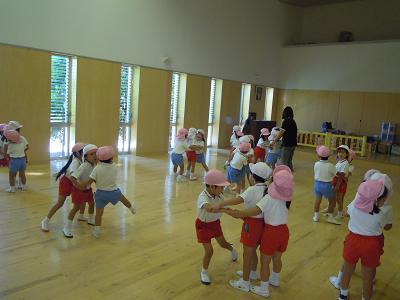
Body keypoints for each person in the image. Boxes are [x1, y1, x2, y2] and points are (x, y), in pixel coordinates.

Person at [224, 166, 294, 298]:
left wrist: (224, 209)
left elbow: (247, 213)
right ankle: (274, 279)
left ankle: (259, 287)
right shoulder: (286, 199)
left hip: (269, 231)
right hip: (284, 231)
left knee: (262, 260)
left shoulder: (268, 197)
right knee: (277, 258)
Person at [211, 162, 272, 292]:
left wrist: (221, 203)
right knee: (254, 250)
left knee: (247, 254)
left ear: (252, 177)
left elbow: (238, 200)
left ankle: (245, 282)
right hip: (263, 224)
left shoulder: (252, 189)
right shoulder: (267, 189)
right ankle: (253, 273)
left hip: (251, 225)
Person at [333, 178, 390, 300]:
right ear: (376, 200)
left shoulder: (353, 207)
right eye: (384, 198)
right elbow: (386, 226)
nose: (385, 200)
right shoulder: (380, 214)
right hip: (371, 245)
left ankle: (343, 295)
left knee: (347, 271)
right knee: (368, 277)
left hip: (352, 241)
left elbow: (347, 212)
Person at [195, 170, 238, 285]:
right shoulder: (202, 197)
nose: (223, 190)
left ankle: (232, 249)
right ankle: (204, 272)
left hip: (215, 224)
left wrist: (238, 214)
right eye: (221, 187)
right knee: (209, 251)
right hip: (202, 226)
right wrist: (224, 210)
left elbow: (228, 207)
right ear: (212, 187)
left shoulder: (220, 196)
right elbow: (209, 208)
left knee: (223, 244)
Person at [84, 146, 136, 238]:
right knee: (124, 200)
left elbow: (90, 181)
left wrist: (85, 185)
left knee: (99, 214)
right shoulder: (115, 166)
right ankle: (132, 208)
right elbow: (106, 168)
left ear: (98, 158)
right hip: (114, 192)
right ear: (111, 158)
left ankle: (97, 231)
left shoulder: (97, 169)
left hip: (100, 194)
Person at [41, 142, 86, 232]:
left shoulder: (82, 160)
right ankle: (45, 220)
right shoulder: (75, 162)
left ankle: (81, 215)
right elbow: (73, 176)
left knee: (82, 199)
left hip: (74, 182)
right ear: (77, 153)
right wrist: (79, 185)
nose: (85, 153)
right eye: (83, 151)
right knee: (60, 203)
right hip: (66, 182)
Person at [62, 144, 97, 238]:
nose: (95, 156)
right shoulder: (84, 166)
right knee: (76, 208)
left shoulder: (94, 165)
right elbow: (73, 177)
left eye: (96, 153)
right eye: (92, 154)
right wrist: (78, 186)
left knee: (92, 203)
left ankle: (90, 219)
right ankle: (67, 227)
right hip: (79, 190)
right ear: (85, 156)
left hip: (88, 189)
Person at [328, 145, 350, 225]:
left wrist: (337, 186)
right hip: (336, 181)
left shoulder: (345, 163)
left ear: (346, 154)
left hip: (340, 183)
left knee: (339, 199)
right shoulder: (340, 162)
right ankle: (332, 211)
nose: (340, 154)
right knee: (336, 198)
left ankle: (340, 214)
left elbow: (341, 176)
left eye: (343, 152)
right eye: (339, 152)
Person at [313, 145, 336, 222]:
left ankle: (316, 216)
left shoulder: (316, 164)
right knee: (332, 201)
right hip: (326, 185)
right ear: (329, 155)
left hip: (317, 184)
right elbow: (335, 174)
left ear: (318, 155)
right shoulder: (330, 165)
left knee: (317, 200)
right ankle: (330, 216)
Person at [270, 106, 297, 171]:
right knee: (289, 161)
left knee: (284, 162)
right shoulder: (293, 121)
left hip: (287, 144)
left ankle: (285, 176)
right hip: (293, 144)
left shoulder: (286, 121)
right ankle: (290, 175)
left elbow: (281, 133)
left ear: (285, 113)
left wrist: (273, 142)